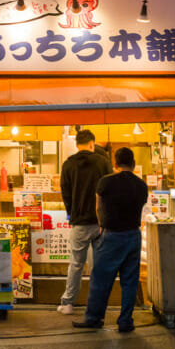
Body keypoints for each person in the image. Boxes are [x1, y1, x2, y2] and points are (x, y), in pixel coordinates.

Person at [72, 147, 149, 333]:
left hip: (112, 235)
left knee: (100, 279)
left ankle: (94, 318)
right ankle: (125, 321)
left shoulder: (105, 182)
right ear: (133, 164)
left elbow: (98, 207)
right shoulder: (141, 185)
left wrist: (101, 226)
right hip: (133, 235)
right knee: (130, 281)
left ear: (115, 164)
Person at [57, 128, 112, 315]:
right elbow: (109, 192)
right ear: (92, 144)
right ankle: (98, 305)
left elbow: (65, 193)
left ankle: (68, 304)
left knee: (76, 264)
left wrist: (72, 212)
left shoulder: (68, 165)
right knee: (100, 265)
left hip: (79, 223)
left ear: (77, 144)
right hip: (100, 223)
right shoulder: (103, 163)